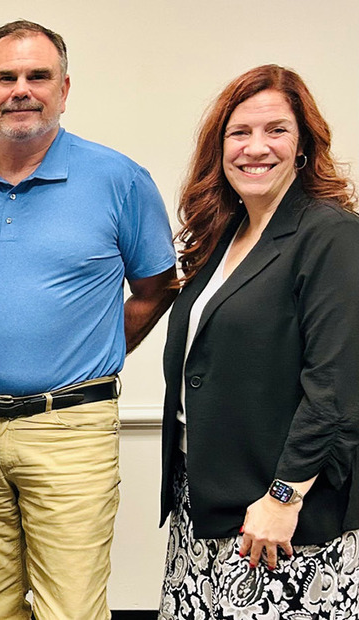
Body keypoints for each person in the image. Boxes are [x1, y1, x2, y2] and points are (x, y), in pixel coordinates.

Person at [0, 20, 178, 619]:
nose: (20, 90)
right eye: (5, 77)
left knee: (71, 609)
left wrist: (91, 352)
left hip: (70, 429)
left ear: (64, 88)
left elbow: (157, 288)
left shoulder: (120, 181)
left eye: (38, 76)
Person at [158, 64, 359, 618]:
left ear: (303, 147)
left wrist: (284, 495)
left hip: (278, 520)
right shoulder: (222, 237)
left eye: (276, 131)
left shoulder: (331, 237)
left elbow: (335, 389)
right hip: (205, 506)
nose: (255, 148)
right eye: (239, 133)